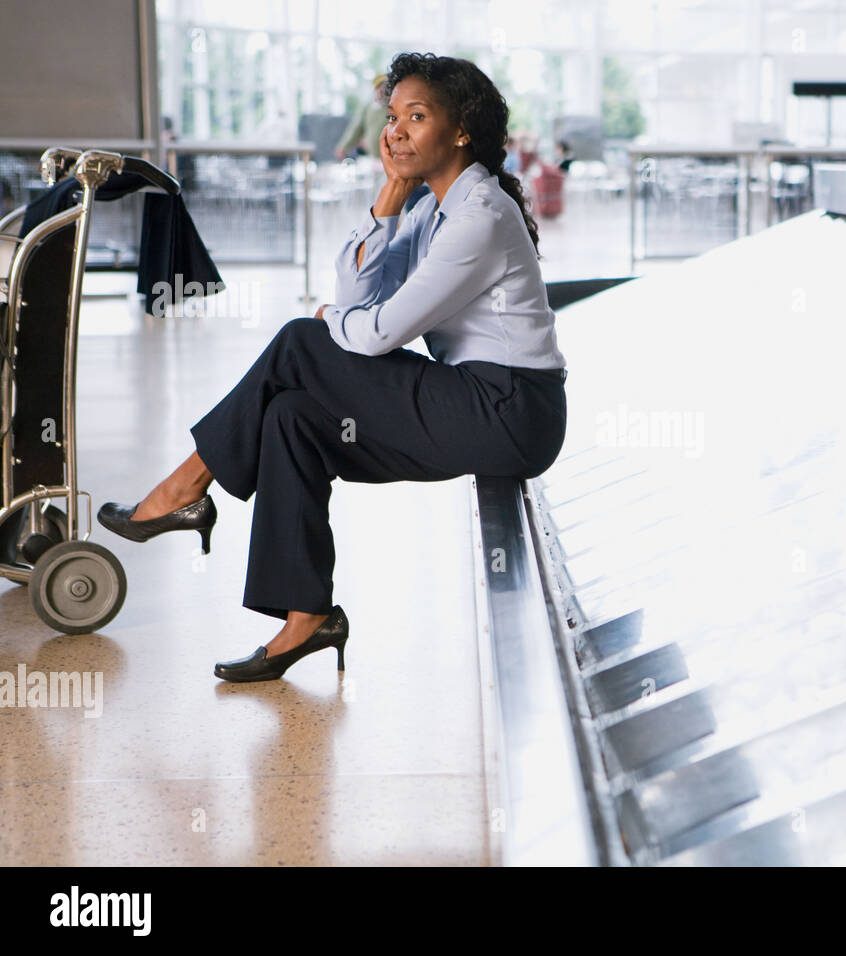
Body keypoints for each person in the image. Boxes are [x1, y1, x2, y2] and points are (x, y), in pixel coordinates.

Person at [97, 53, 568, 682]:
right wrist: (389, 201)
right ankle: (306, 617)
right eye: (393, 116)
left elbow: (377, 334)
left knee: (300, 343)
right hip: (474, 401)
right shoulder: (432, 206)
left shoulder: (479, 215)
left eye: (417, 116)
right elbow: (357, 300)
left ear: (461, 130)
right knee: (291, 417)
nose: (395, 131)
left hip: (509, 410)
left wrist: (327, 321)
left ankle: (185, 488)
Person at [334, 73, 390, 160]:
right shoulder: (367, 108)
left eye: (384, 86)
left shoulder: (392, 107)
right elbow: (356, 128)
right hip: (372, 157)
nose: (381, 90)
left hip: (391, 156)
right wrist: (343, 147)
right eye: (378, 87)